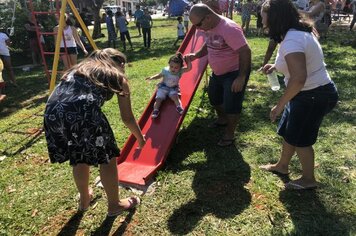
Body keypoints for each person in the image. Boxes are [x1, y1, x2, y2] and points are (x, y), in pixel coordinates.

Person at [44, 48, 145, 216]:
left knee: (79, 156)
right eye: (123, 65)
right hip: (84, 113)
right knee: (107, 159)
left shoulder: (77, 70)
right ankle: (115, 205)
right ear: (119, 63)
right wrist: (140, 139)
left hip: (53, 113)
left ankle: (84, 199)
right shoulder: (117, 77)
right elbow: (127, 118)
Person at [259, 0, 339, 190]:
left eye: (263, 14)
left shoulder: (292, 40)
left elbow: (299, 78)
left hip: (313, 95)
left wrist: (279, 105)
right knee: (290, 130)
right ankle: (282, 166)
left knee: (301, 139)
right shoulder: (297, 32)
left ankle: (308, 179)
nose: (261, 18)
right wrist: (276, 66)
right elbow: (300, 62)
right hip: (307, 93)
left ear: (274, 17)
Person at [187, 4, 251, 147]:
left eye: (198, 24)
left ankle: (230, 134)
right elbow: (209, 43)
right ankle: (222, 119)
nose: (197, 28)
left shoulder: (229, 28)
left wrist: (241, 77)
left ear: (208, 17)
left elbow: (245, 52)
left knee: (231, 105)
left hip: (234, 72)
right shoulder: (208, 26)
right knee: (214, 98)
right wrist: (196, 55)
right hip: (218, 73)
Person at [146, 53, 192, 118]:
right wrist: (152, 77)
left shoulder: (180, 71)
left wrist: (188, 61)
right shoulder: (165, 70)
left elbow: (189, 68)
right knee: (158, 99)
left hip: (173, 88)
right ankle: (155, 110)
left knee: (175, 98)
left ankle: (179, 107)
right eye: (171, 66)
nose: (173, 69)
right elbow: (159, 75)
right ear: (169, 64)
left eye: (176, 67)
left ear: (180, 67)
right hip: (163, 87)